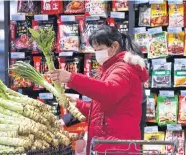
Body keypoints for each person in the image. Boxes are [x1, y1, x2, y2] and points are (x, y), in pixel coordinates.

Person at [48, 25, 149, 154]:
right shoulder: (109, 69)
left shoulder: (124, 70)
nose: (96, 54)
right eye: (95, 49)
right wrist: (78, 105)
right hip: (109, 145)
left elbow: (109, 93)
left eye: (99, 49)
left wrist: (71, 78)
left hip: (117, 147)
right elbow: (103, 112)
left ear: (114, 47)